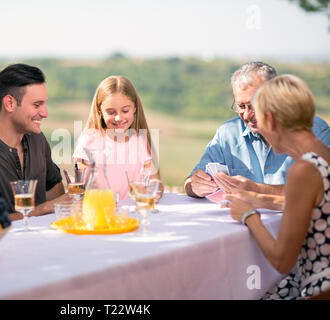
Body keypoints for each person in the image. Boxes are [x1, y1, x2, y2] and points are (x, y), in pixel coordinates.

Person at [222, 75, 330, 300]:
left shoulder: (303, 169)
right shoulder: (323, 154)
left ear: (270, 120)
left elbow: (281, 260)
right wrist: (257, 197)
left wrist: (248, 216)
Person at [184, 62, 329, 201]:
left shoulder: (315, 132)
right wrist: (194, 185)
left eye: (253, 105)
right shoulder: (227, 133)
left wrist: (255, 192)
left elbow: (313, 193)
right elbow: (190, 182)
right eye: (241, 106)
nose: (246, 115)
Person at [0, 64, 67, 218]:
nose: (45, 113)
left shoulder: (38, 140)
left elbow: (55, 193)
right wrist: (44, 209)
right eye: (37, 105)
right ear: (10, 103)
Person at [73, 75, 163, 201]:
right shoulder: (89, 140)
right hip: (100, 211)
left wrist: (154, 191)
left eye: (125, 111)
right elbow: (80, 189)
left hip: (131, 213)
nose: (118, 118)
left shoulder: (139, 141)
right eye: (111, 112)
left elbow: (155, 181)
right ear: (100, 111)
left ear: (134, 108)